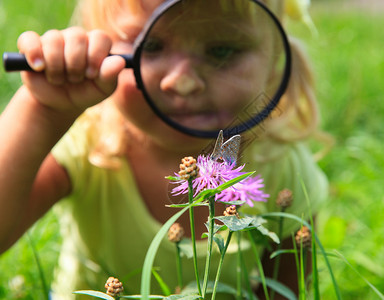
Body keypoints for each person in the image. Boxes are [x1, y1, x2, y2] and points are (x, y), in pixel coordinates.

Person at [0, 0, 328, 299]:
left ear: (275, 63)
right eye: (152, 46)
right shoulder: (88, 143)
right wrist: (42, 112)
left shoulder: (281, 164)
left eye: (222, 51)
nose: (181, 82)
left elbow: (284, 288)